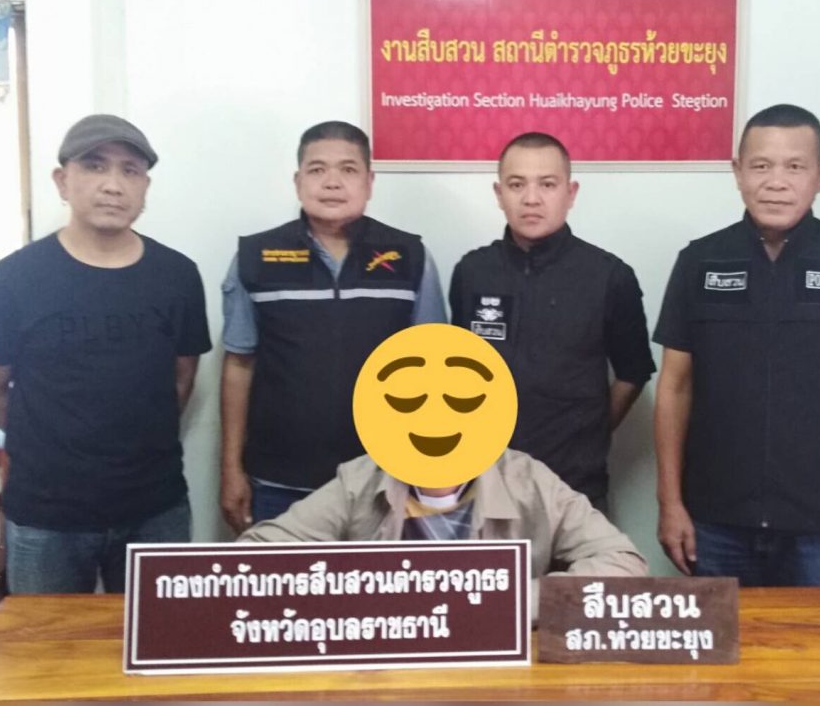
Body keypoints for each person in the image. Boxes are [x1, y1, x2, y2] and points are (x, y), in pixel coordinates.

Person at [653, 103, 820, 590]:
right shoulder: (700, 262)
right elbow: (674, 387)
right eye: (761, 166)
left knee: (819, 641)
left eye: (795, 166)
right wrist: (670, 502)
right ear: (737, 172)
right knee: (721, 641)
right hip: (716, 519)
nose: (776, 182)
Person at [0, 114, 212, 593]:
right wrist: (55, 444)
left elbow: (181, 380)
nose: (113, 185)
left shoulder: (178, 277)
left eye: (129, 170)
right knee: (48, 641)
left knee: (157, 637)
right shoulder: (10, 281)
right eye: (95, 166)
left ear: (144, 187)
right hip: (46, 515)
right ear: (63, 181)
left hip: (154, 508)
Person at [220, 121, 446, 533]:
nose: (332, 182)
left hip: (383, 478)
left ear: (369, 182)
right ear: (298, 181)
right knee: (282, 578)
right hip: (279, 481)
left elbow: (434, 368)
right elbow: (239, 364)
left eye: (348, 169)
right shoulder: (256, 257)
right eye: (317, 169)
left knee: (379, 579)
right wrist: (230, 468)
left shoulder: (409, 256)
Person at [449, 132, 656, 509]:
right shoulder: (472, 272)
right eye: (517, 184)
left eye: (547, 184)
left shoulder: (610, 276)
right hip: (484, 483)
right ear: (499, 193)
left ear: (570, 193)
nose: (531, 198)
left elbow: (633, 373)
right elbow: (457, 371)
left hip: (575, 487)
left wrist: (590, 431)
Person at [238, 448, 649, 619]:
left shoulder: (527, 478)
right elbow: (250, 560)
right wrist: (355, 597)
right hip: (387, 674)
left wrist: (511, 601)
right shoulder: (360, 479)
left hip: (496, 676)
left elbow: (625, 564)